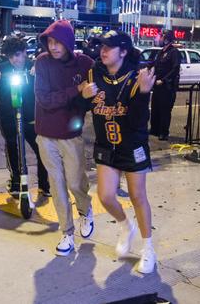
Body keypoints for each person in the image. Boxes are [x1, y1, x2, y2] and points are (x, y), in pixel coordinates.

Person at [80, 30, 157, 274]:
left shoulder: (137, 78)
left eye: (109, 47)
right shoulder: (93, 74)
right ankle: (126, 225)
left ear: (123, 51)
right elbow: (84, 107)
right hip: (106, 146)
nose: (103, 51)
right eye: (102, 46)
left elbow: (138, 121)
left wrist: (144, 94)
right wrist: (83, 96)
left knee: (137, 196)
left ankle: (148, 249)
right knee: (105, 196)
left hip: (132, 145)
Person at [34, 19, 94, 256]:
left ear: (68, 42)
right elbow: (45, 100)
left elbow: (90, 100)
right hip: (45, 135)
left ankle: (85, 210)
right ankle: (66, 233)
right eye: (50, 42)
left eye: (58, 42)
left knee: (76, 182)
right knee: (57, 186)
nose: (54, 47)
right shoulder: (42, 63)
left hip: (71, 135)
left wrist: (85, 95)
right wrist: (76, 91)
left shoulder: (86, 64)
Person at [0, 37, 50, 196]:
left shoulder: (33, 66)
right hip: (8, 115)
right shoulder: (2, 68)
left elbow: (51, 80)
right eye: (11, 56)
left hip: (30, 115)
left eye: (18, 55)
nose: (15, 60)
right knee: (13, 147)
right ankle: (16, 181)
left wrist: (39, 72)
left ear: (25, 53)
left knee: (41, 148)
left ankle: (44, 184)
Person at [150, 29, 180, 141]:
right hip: (157, 86)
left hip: (167, 87)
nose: (159, 39)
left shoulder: (174, 52)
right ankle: (155, 129)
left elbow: (175, 69)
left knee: (165, 110)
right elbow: (153, 64)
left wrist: (163, 80)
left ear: (166, 39)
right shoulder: (161, 52)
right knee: (155, 108)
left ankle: (163, 132)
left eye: (161, 37)